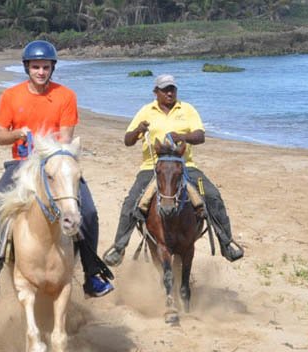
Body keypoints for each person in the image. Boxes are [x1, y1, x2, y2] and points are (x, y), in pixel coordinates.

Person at [0, 40, 115, 305]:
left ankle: (92, 273)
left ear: (52, 68)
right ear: (27, 68)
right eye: (36, 67)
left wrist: (50, 158)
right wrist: (17, 133)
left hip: (55, 164)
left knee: (89, 211)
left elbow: (66, 138)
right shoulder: (11, 96)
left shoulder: (66, 96)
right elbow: (0, 136)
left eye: (45, 67)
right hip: (21, 165)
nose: (41, 72)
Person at [102, 74, 244, 267]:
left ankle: (226, 243)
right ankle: (119, 247)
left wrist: (182, 136)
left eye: (172, 89)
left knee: (212, 195)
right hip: (152, 167)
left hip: (185, 166)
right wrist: (138, 131)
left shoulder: (187, 109)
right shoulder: (146, 111)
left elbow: (200, 136)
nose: (169, 93)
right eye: (165, 89)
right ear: (156, 92)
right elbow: (127, 140)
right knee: (131, 201)